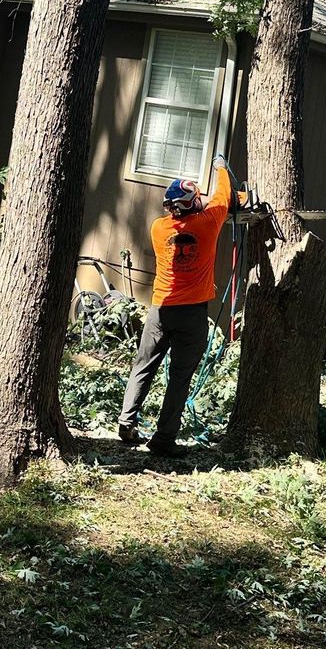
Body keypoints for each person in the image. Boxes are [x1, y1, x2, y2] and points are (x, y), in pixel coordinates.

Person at [118, 154, 235, 457]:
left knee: (143, 365)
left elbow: (195, 210)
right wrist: (220, 166)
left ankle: (126, 421)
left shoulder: (159, 228)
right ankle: (163, 440)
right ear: (194, 204)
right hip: (192, 313)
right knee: (180, 378)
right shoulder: (209, 223)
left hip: (159, 309)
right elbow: (223, 193)